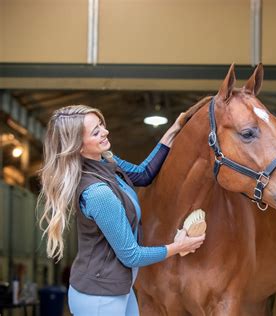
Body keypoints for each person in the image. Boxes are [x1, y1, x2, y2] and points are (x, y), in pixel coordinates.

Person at [38, 104, 205, 316]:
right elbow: (131, 256)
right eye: (96, 132)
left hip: (118, 288)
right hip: (99, 297)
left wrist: (175, 128)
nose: (105, 132)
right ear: (79, 147)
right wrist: (177, 247)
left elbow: (143, 174)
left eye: (101, 125)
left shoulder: (107, 162)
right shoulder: (97, 193)